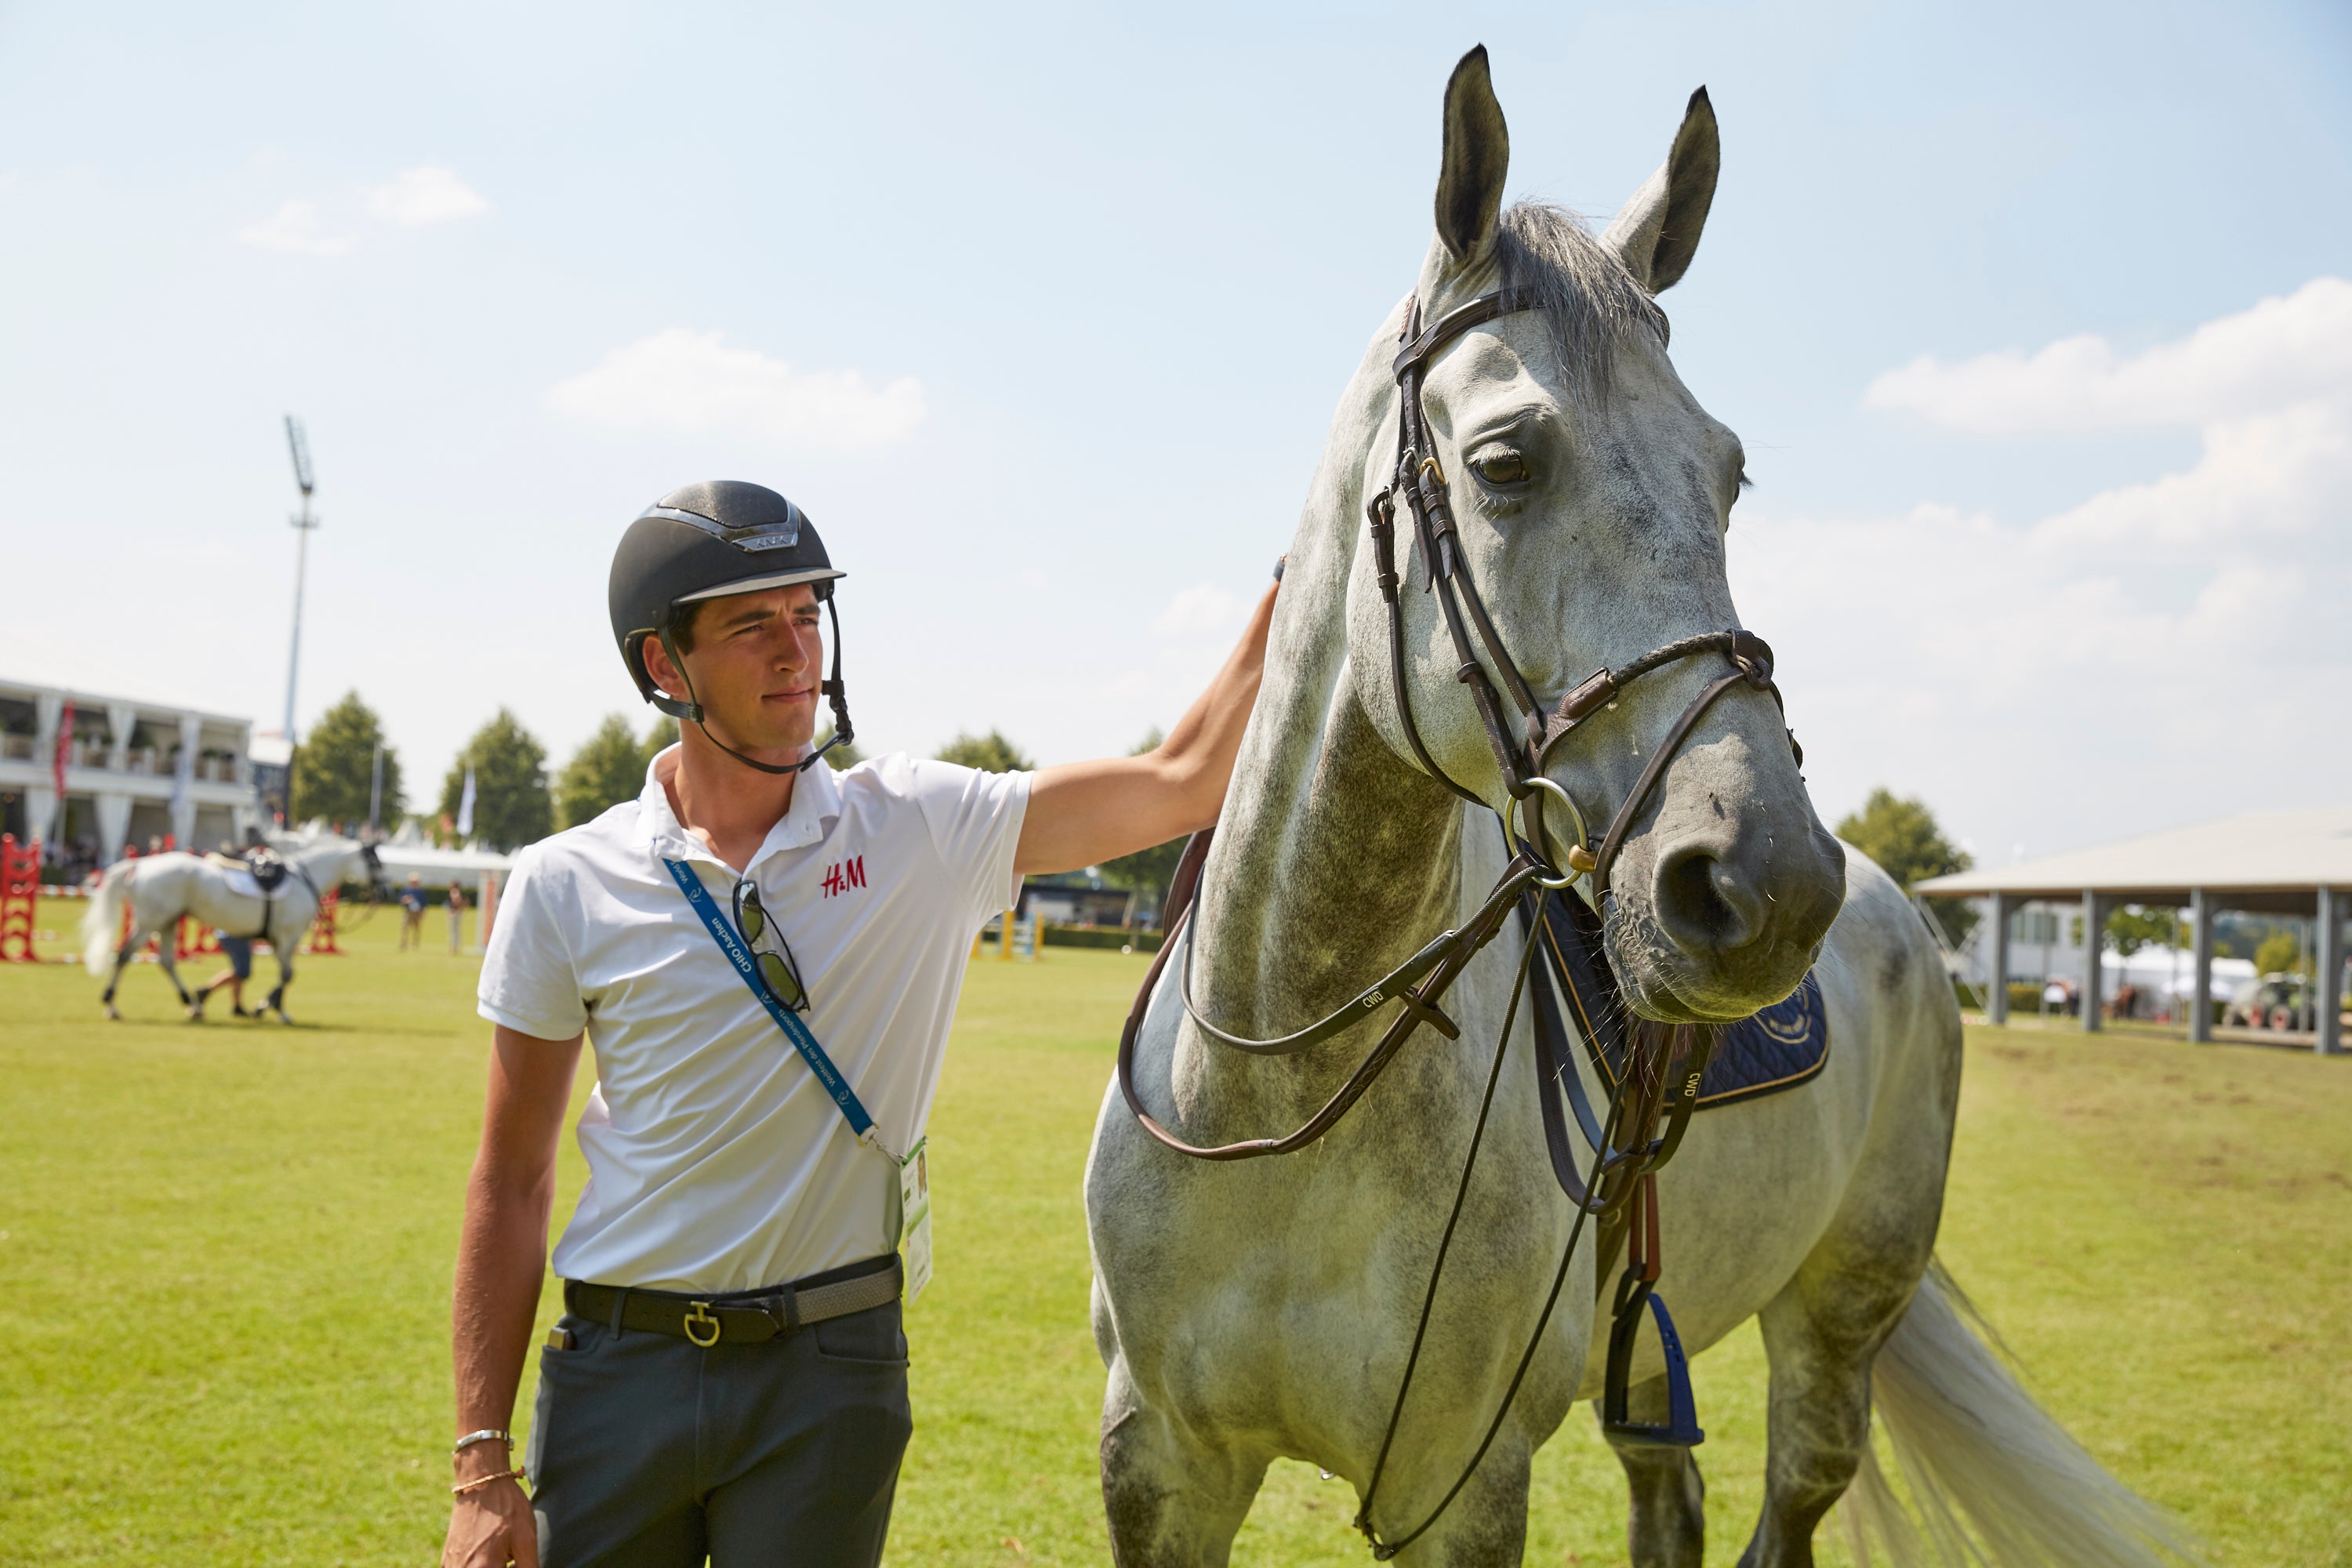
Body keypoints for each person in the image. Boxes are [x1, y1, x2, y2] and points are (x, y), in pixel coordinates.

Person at [441, 481, 1275, 1568]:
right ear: (663, 667)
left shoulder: (919, 825)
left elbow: (1186, 779)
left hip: (828, 1374)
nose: (797, 651)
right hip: (618, 1372)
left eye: (806, 614)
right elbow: (512, 1181)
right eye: (751, 626)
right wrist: (480, 1465)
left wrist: (1302, 569)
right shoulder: (563, 882)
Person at [198, 934, 254, 1018]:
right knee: (242, 972)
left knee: (239, 973)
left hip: (229, 934)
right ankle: (206, 991)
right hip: (236, 934)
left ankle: (237, 1006)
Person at [400, 873, 427, 952]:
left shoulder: (421, 892)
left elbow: (424, 904)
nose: (414, 883)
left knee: (416, 929)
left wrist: (423, 913)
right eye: (413, 882)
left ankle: (415, 944)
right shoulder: (406, 891)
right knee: (405, 928)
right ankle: (403, 944)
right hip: (408, 912)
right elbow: (401, 901)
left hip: (417, 912)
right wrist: (406, 900)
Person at [448, 880, 469, 955]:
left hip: (454, 913)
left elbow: (456, 900)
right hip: (459, 913)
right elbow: (466, 902)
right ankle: (456, 947)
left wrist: (454, 909)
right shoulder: (460, 892)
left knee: (453, 931)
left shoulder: (454, 891)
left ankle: (454, 948)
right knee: (457, 931)